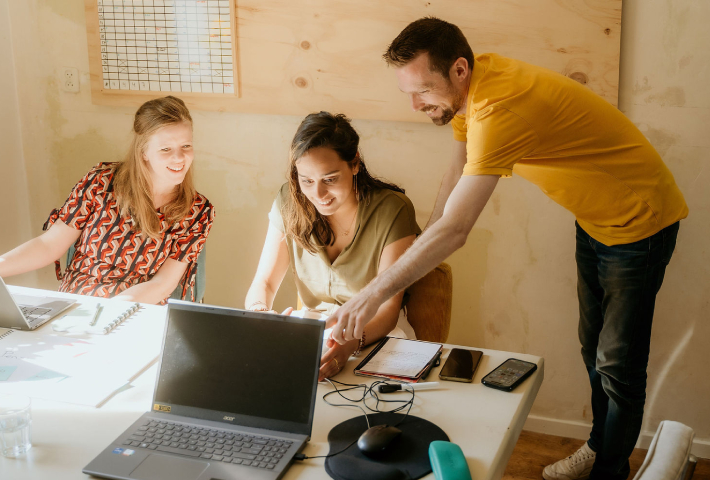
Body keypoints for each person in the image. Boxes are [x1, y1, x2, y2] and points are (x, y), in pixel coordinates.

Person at [325, 17, 688, 480]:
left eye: (424, 91)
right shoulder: (469, 94)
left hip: (641, 222)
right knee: (593, 347)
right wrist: (421, 252)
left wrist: (373, 292)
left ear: (458, 70)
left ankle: (609, 470)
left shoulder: (500, 108)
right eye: (408, 93)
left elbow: (457, 229)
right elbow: (454, 180)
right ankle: (601, 447)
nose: (416, 104)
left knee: (618, 363)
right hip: (596, 218)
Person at [245, 112, 421, 381]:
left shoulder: (392, 210)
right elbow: (265, 283)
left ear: (354, 164)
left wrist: (349, 344)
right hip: (313, 333)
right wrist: (261, 315)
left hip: (375, 336)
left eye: (329, 179)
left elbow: (387, 310)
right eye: (306, 181)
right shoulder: (288, 202)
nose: (318, 194)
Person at [0, 96, 215, 305]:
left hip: (133, 313)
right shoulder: (101, 181)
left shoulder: (198, 211)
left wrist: (109, 311)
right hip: (74, 306)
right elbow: (49, 245)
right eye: (166, 149)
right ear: (144, 153)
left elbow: (162, 284)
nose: (179, 158)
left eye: (186, 146)